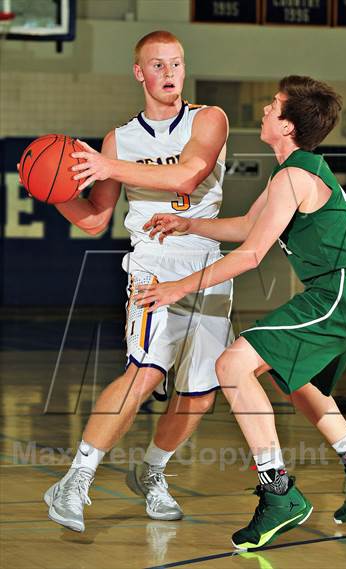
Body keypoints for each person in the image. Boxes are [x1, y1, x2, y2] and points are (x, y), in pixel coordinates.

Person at [136, 76, 346, 550]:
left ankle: (279, 494)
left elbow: (251, 254)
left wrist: (177, 288)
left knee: (232, 364)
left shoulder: (294, 176)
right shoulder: (296, 171)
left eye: (272, 106)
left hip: (341, 291)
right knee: (298, 384)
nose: (263, 110)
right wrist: (188, 223)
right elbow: (247, 226)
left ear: (288, 125)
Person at [39, 30, 232, 532]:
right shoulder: (119, 139)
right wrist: (52, 189)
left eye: (177, 64)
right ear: (139, 73)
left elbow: (189, 175)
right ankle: (76, 479)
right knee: (145, 372)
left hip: (208, 264)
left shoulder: (209, 119)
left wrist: (109, 166)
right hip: (153, 263)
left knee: (200, 395)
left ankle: (151, 472)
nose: (170, 74)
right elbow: (93, 219)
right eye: (158, 65)